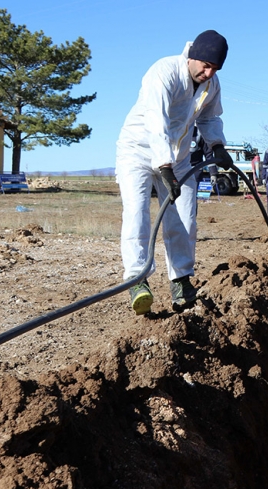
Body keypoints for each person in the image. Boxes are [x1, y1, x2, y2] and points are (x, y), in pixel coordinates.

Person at [115, 30, 234, 315]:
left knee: (184, 218)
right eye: (205, 65)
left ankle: (180, 280)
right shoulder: (164, 71)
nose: (208, 73)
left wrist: (216, 145)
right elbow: (157, 119)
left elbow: (209, 116)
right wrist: (163, 165)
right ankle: (137, 279)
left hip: (178, 158)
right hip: (139, 152)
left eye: (215, 68)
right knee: (137, 214)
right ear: (193, 56)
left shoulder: (211, 84)